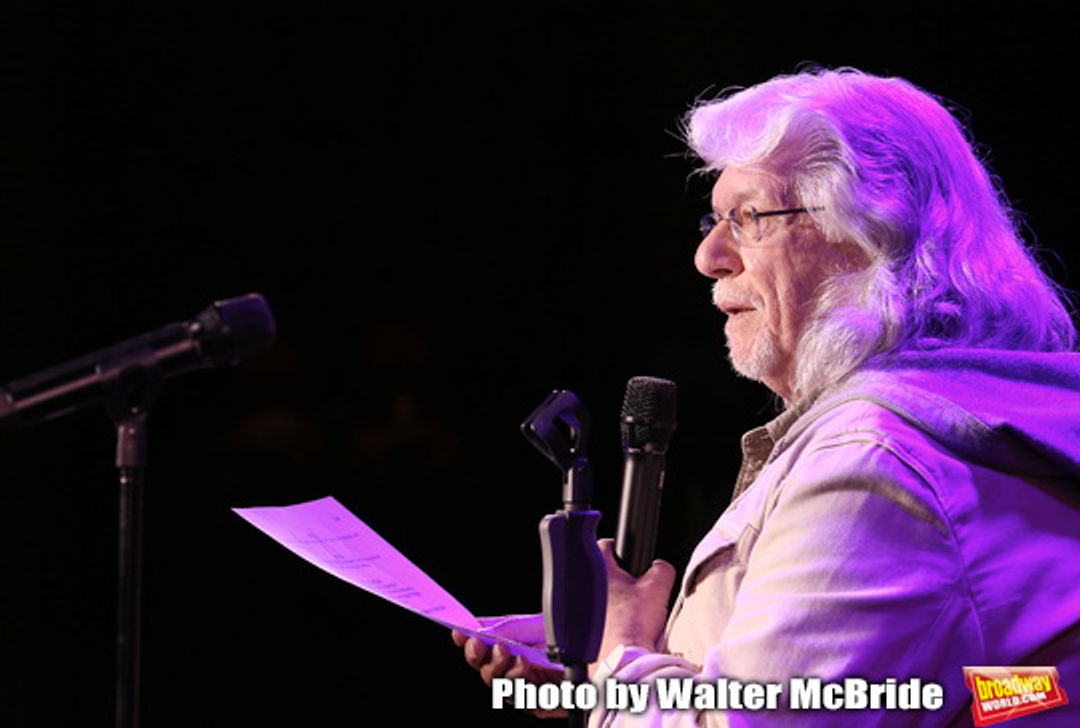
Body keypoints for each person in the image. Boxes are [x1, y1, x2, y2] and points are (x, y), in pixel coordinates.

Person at [452, 67, 1080, 726]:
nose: (709, 255)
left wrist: (621, 650)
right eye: (713, 218)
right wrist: (603, 672)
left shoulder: (875, 464)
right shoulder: (968, 418)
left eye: (748, 218)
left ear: (868, 233)